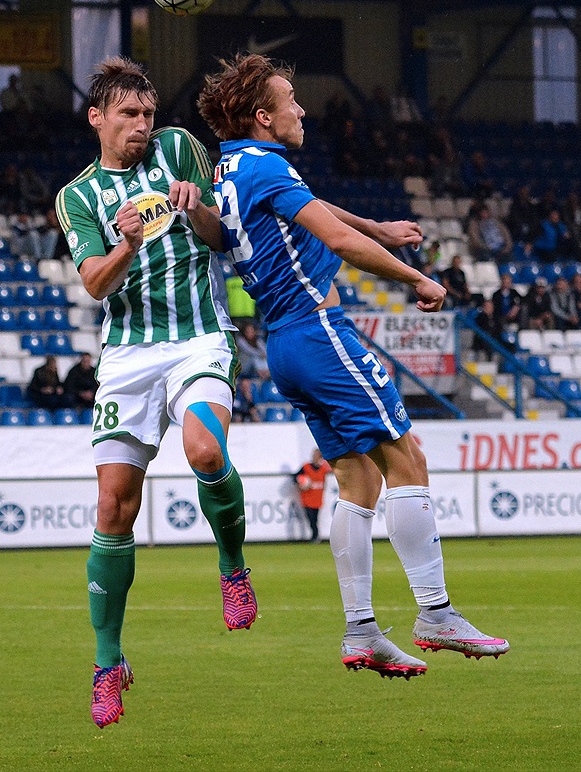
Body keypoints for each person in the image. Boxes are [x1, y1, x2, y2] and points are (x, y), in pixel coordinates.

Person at [198, 52, 509, 681]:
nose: (302, 110)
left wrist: (381, 229)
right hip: (319, 330)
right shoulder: (268, 167)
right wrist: (417, 277)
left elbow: (320, 216)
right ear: (265, 116)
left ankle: (361, 630)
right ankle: (436, 612)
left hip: (286, 346)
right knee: (407, 457)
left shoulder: (233, 170)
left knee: (358, 482)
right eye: (291, 101)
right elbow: (335, 241)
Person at [54, 56, 255, 729]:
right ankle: (108, 662)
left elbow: (224, 238)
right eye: (129, 115)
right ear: (97, 118)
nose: (143, 125)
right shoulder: (78, 196)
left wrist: (197, 211)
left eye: (147, 112)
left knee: (205, 449)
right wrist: (128, 246)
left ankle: (232, 564)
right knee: (114, 505)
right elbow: (95, 283)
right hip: (130, 354)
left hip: (199, 334)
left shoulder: (178, 147)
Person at [294, 448, 331, 542]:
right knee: (310, 518)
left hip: (317, 498)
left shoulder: (323, 469)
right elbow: (295, 477)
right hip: (307, 498)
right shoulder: (306, 467)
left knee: (315, 519)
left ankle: (315, 536)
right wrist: (300, 483)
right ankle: (315, 535)